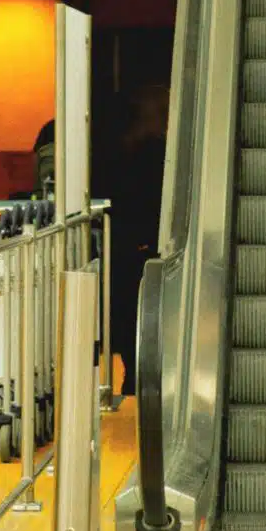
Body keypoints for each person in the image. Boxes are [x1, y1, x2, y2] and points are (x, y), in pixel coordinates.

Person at [109, 86, 168, 395]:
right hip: (148, 244)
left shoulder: (124, 153)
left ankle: (132, 376)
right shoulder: (158, 154)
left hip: (126, 245)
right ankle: (141, 376)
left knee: (128, 314)